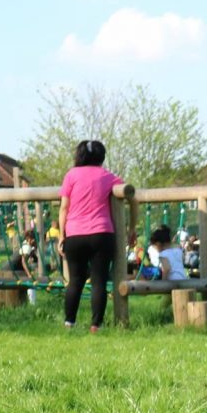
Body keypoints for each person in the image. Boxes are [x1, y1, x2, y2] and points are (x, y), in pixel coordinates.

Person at [58, 139, 126, 331]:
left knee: (75, 280)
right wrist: (130, 229)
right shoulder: (108, 176)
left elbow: (64, 208)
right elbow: (130, 194)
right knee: (99, 281)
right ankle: (96, 325)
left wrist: (61, 236)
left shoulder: (71, 175)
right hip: (101, 233)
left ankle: (69, 322)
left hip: (75, 233)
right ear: (101, 157)